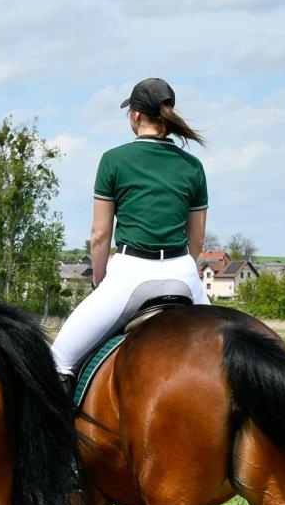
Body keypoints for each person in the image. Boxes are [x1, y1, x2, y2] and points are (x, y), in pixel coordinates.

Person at [49, 77, 210, 395]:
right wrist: (180, 268)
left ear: (135, 115)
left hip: (131, 276)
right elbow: (198, 240)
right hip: (185, 277)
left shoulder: (114, 160)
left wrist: (99, 278)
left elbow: (99, 235)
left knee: (58, 361)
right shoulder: (193, 166)